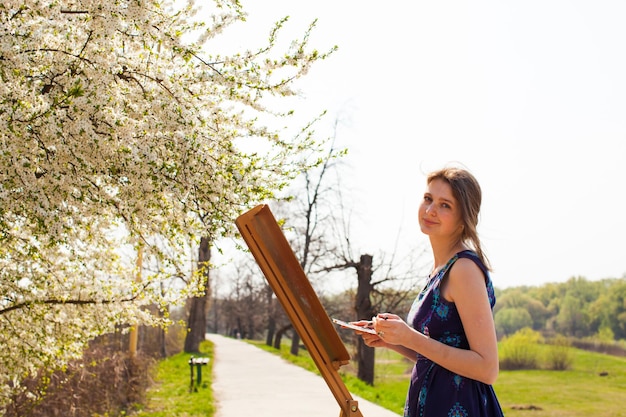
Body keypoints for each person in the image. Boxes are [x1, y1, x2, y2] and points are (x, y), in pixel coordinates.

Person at [351, 166, 504, 417]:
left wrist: (410, 337)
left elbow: (487, 369)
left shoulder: (463, 269)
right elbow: (437, 357)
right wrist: (394, 341)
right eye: (428, 199)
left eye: (445, 205)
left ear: (464, 217)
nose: (431, 210)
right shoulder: (439, 269)